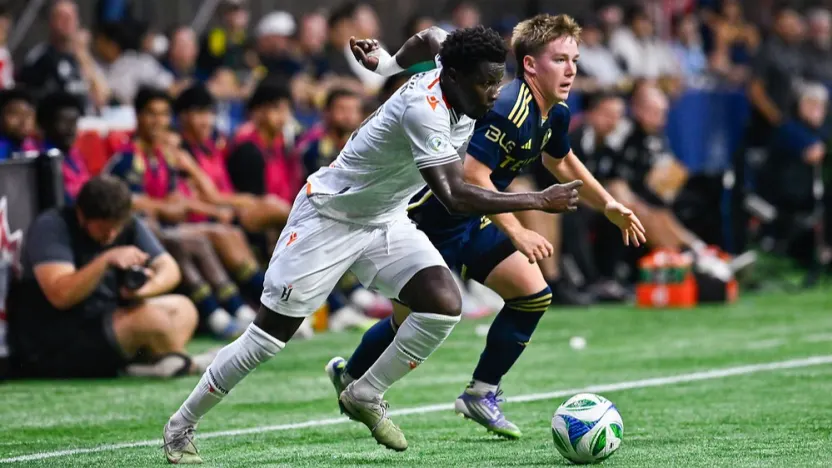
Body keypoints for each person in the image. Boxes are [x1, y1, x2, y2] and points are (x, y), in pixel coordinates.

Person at [163, 25, 584, 463]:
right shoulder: (426, 111)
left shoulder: (452, 59)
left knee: (443, 303)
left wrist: (385, 64)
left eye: (498, 80)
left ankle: (364, 392)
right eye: (484, 83)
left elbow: (428, 37)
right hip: (328, 218)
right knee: (268, 339)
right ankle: (181, 425)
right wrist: (537, 199)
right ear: (455, 77)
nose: (494, 92)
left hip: (383, 219)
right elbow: (454, 195)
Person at [325, 14, 645, 440]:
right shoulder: (508, 106)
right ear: (530, 65)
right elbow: (473, 175)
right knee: (409, 324)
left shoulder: (556, 111)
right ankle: (351, 377)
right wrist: (517, 230)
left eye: (575, 59)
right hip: (429, 223)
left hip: (470, 221)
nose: (571, 70)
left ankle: (481, 392)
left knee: (533, 294)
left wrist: (607, 204)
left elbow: (559, 159)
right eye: (560, 59)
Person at [7, 176, 215, 379]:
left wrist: (143, 289)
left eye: (117, 226)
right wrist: (106, 260)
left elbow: (169, 269)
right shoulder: (52, 226)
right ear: (82, 215)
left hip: (107, 317)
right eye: (104, 228)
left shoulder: (127, 222)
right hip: (58, 336)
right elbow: (60, 295)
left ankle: (154, 364)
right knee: (153, 320)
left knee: (184, 308)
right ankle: (185, 363)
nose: (112, 235)